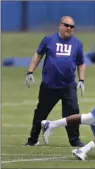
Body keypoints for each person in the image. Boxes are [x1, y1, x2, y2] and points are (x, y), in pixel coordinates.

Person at [24, 16, 85, 147]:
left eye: (72, 26)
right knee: (41, 112)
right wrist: (30, 71)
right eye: (66, 25)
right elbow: (38, 55)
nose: (69, 28)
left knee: (73, 112)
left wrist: (81, 79)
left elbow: (81, 63)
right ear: (60, 25)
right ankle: (32, 140)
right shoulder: (48, 40)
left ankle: (75, 140)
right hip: (49, 85)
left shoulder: (77, 44)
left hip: (68, 86)